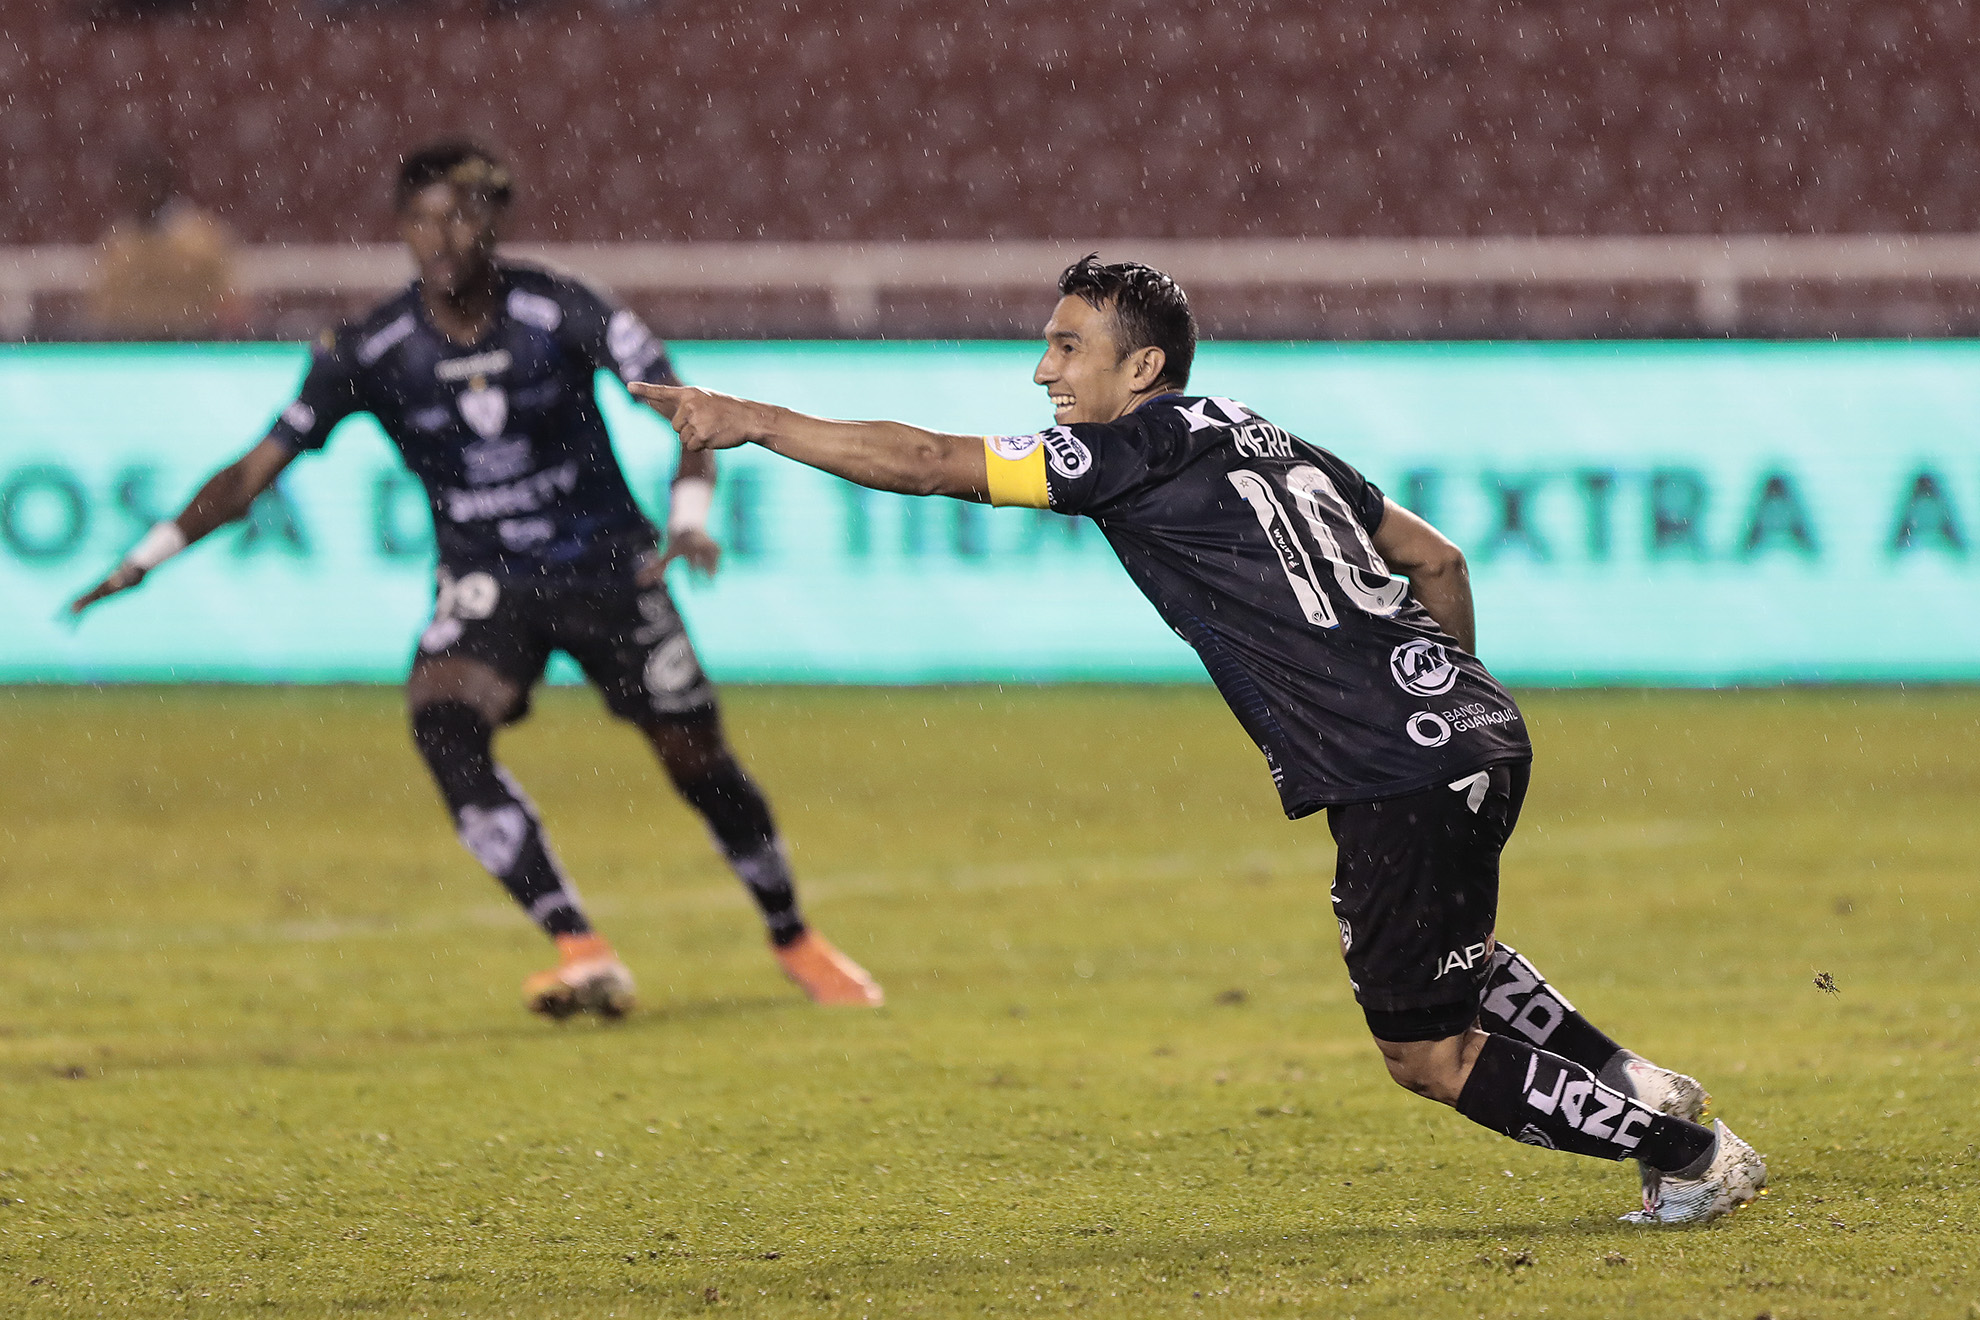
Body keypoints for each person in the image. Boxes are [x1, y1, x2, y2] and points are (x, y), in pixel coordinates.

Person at [628, 255, 1767, 1226]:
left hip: (1394, 765)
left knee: (1425, 1050)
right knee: (1449, 954)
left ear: (1141, 369)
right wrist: (1453, 702)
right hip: (1473, 729)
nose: (1043, 371)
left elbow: (931, 465)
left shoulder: (1132, 449)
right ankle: (1636, 1081)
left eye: (1068, 348)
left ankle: (1684, 1160)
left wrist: (756, 422)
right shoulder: (1267, 436)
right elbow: (1438, 561)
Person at [70, 140, 883, 1019]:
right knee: (442, 718)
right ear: (401, 230)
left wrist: (688, 520)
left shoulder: (563, 310)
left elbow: (688, 413)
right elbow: (256, 470)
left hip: (609, 566)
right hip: (486, 579)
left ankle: (793, 937)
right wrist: (146, 557)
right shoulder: (369, 347)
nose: (442, 235)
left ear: (493, 220)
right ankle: (580, 946)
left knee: (697, 758)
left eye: (460, 214)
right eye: (422, 217)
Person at [84, 140, 244, 341]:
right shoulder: (116, 245)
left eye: (143, 182)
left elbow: (230, 308)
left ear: (163, 184)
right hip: (132, 354)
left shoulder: (201, 240)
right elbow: (102, 312)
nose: (136, 192)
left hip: (193, 352)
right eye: (128, 184)